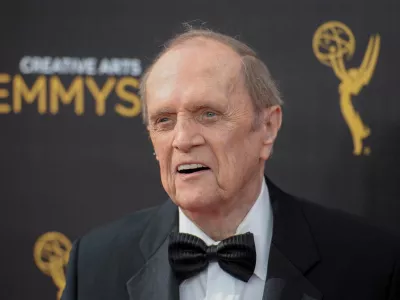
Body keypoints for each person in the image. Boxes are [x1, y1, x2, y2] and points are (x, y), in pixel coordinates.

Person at [62, 28, 400, 300]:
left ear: (267, 128)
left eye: (208, 114)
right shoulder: (95, 264)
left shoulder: (368, 263)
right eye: (164, 120)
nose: (182, 139)